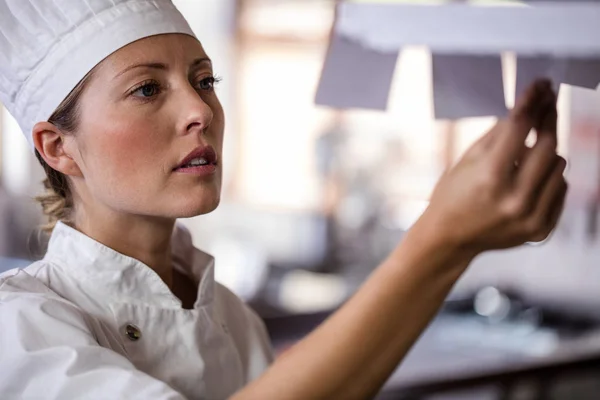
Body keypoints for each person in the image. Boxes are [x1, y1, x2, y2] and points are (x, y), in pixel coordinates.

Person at [0, 1, 566, 399]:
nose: (199, 110)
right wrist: (441, 241)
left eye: (204, 80)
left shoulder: (231, 319)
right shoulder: (22, 329)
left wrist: (453, 246)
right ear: (58, 148)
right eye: (148, 88)